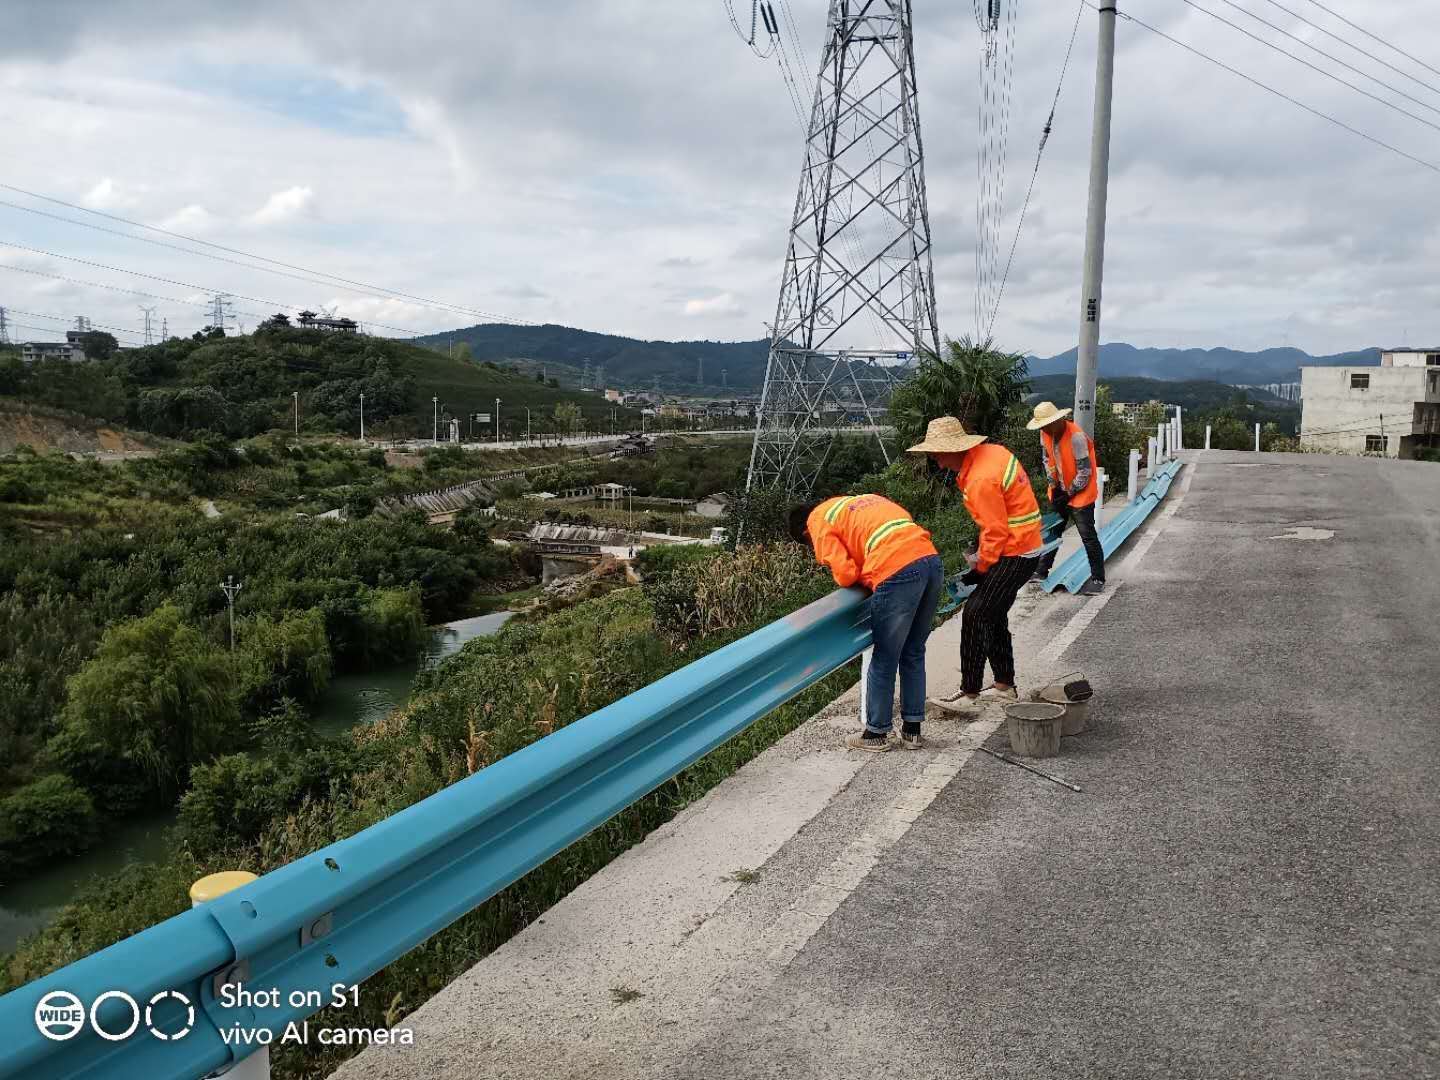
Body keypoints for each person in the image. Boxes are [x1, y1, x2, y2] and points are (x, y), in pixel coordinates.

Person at [906, 416, 1044, 716]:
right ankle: (1005, 687)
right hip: (1025, 545)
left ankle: (969, 692)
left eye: (938, 456)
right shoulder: (992, 453)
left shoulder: (980, 477)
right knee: (993, 616)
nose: (939, 464)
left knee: (975, 613)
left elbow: (996, 531)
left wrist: (981, 568)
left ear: (955, 449)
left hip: (1015, 551)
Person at [789, 493, 943, 752]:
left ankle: (876, 733)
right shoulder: (855, 503)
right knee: (914, 651)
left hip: (896, 570)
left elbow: (847, 573)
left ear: (805, 532)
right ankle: (912, 731)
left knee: (884, 657)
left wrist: (859, 576)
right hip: (930, 560)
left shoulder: (817, 521)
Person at [1027, 401, 1104, 595]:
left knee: (1088, 536)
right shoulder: (1045, 433)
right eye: (1041, 426)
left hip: (1081, 493)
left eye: (1046, 424)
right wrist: (1055, 489)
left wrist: (1069, 492)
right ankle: (1042, 570)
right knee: (1054, 532)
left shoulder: (1076, 436)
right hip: (1061, 490)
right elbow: (1047, 461)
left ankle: (1098, 578)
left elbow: (1085, 472)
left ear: (1058, 420)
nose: (1043, 428)